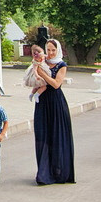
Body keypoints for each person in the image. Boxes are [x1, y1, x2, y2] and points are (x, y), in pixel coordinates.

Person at [32, 38, 75, 185]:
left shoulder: (62, 65)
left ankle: (59, 172)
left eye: (53, 50)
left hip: (56, 103)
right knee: (42, 135)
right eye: (48, 49)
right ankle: (44, 173)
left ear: (58, 51)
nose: (50, 53)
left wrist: (43, 74)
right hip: (43, 102)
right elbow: (34, 76)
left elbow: (56, 84)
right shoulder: (42, 62)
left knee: (57, 136)